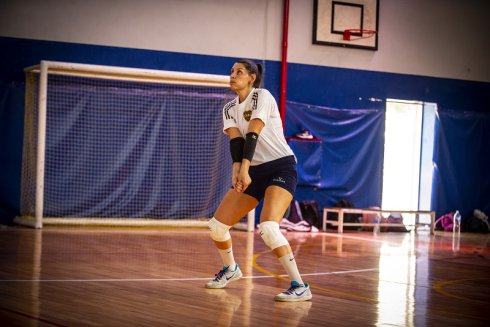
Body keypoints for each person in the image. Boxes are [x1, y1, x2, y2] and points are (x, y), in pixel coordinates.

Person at [205, 59, 312, 302]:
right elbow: (236, 141)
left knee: (268, 228)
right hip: (252, 169)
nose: (232, 75)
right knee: (217, 226)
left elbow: (253, 131)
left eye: (239, 72)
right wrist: (237, 169)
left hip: (281, 166)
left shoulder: (262, 96)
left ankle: (299, 286)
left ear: (252, 77)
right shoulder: (229, 108)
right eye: (231, 71)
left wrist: (244, 169)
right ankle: (231, 269)